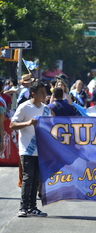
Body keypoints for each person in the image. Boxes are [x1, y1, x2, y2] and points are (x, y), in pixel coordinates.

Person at [10, 81, 51, 217]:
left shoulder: (46, 109)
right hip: (27, 148)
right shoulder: (24, 107)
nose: (45, 95)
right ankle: (23, 207)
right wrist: (27, 123)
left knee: (36, 179)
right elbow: (12, 125)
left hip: (41, 149)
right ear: (33, 93)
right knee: (28, 178)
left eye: (45, 92)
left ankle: (32, 207)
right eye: (42, 93)